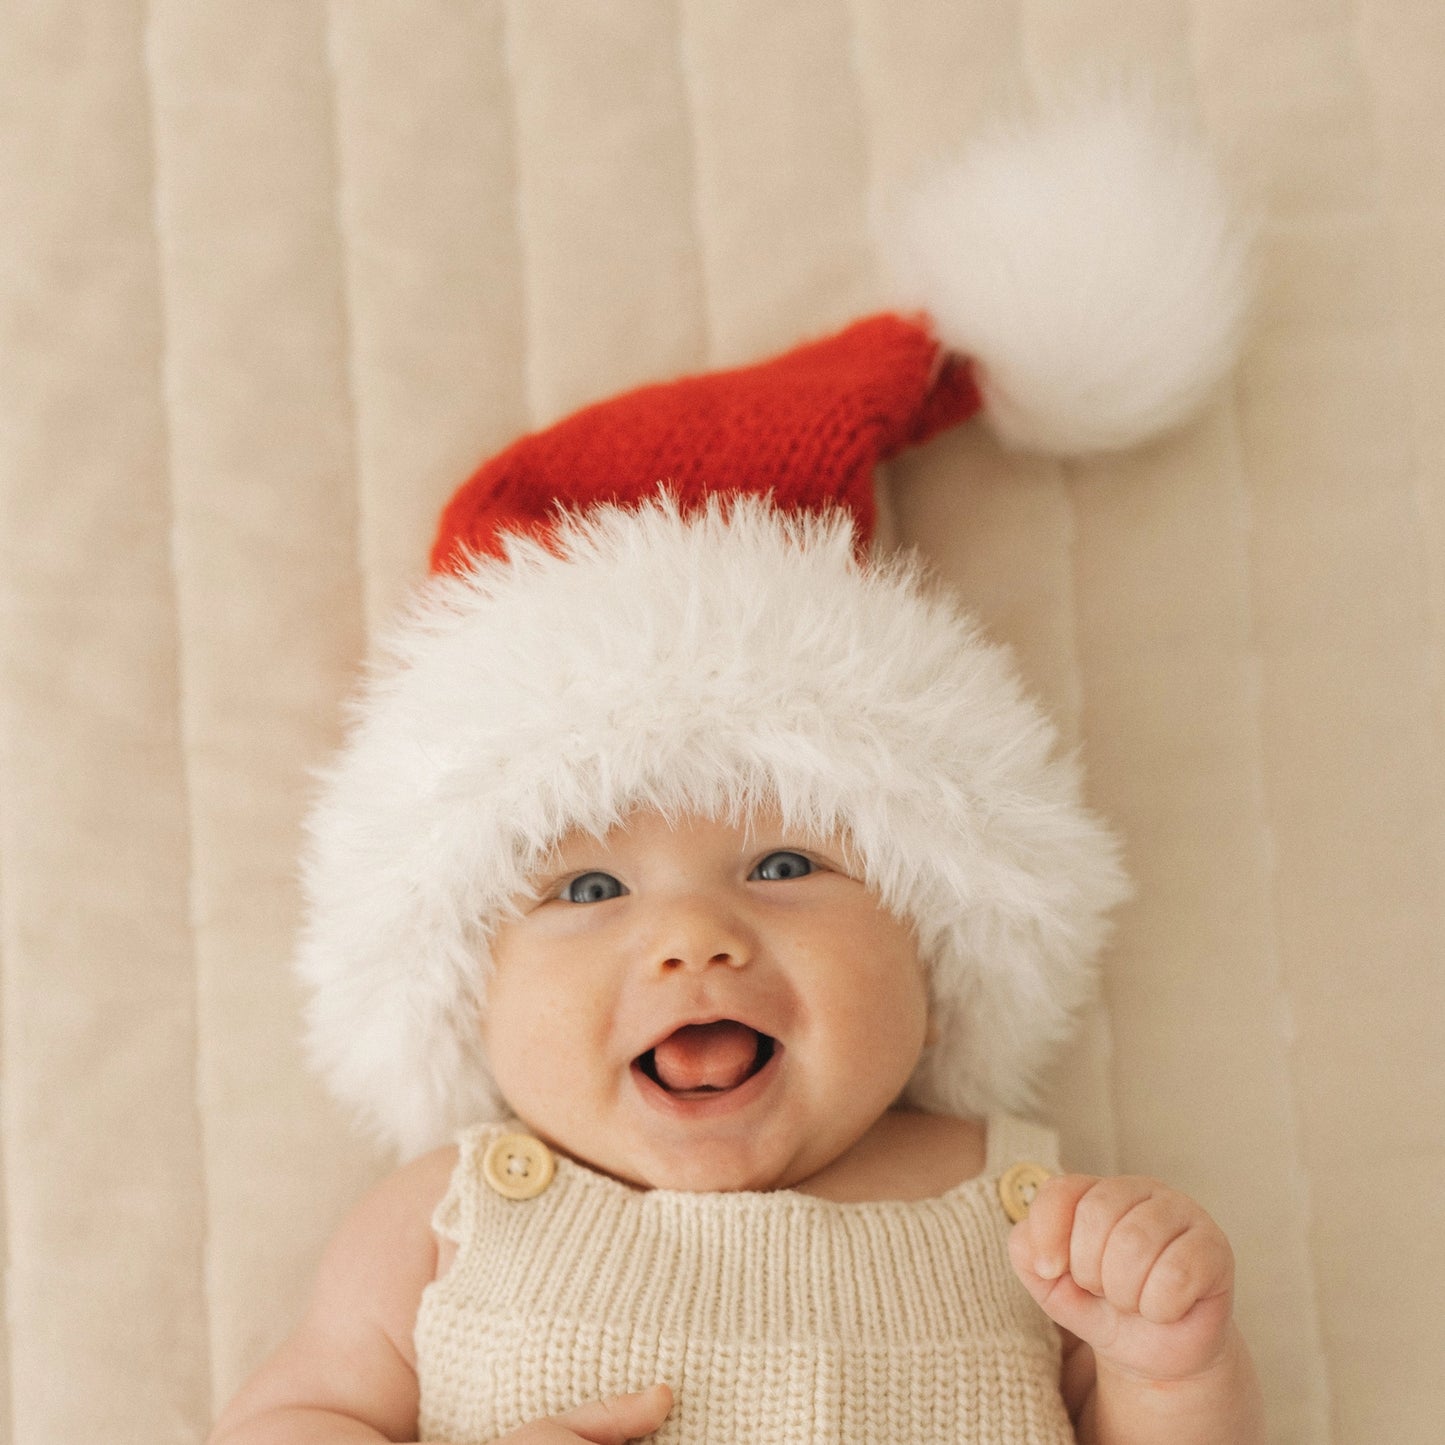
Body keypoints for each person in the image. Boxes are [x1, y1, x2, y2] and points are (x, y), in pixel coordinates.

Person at [209, 99, 1264, 1444]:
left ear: (934, 960)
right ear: (464, 990)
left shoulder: (1030, 1218)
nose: (693, 936)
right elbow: (287, 1414)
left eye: (783, 864)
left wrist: (1168, 1366)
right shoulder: (446, 1212)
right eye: (587, 884)